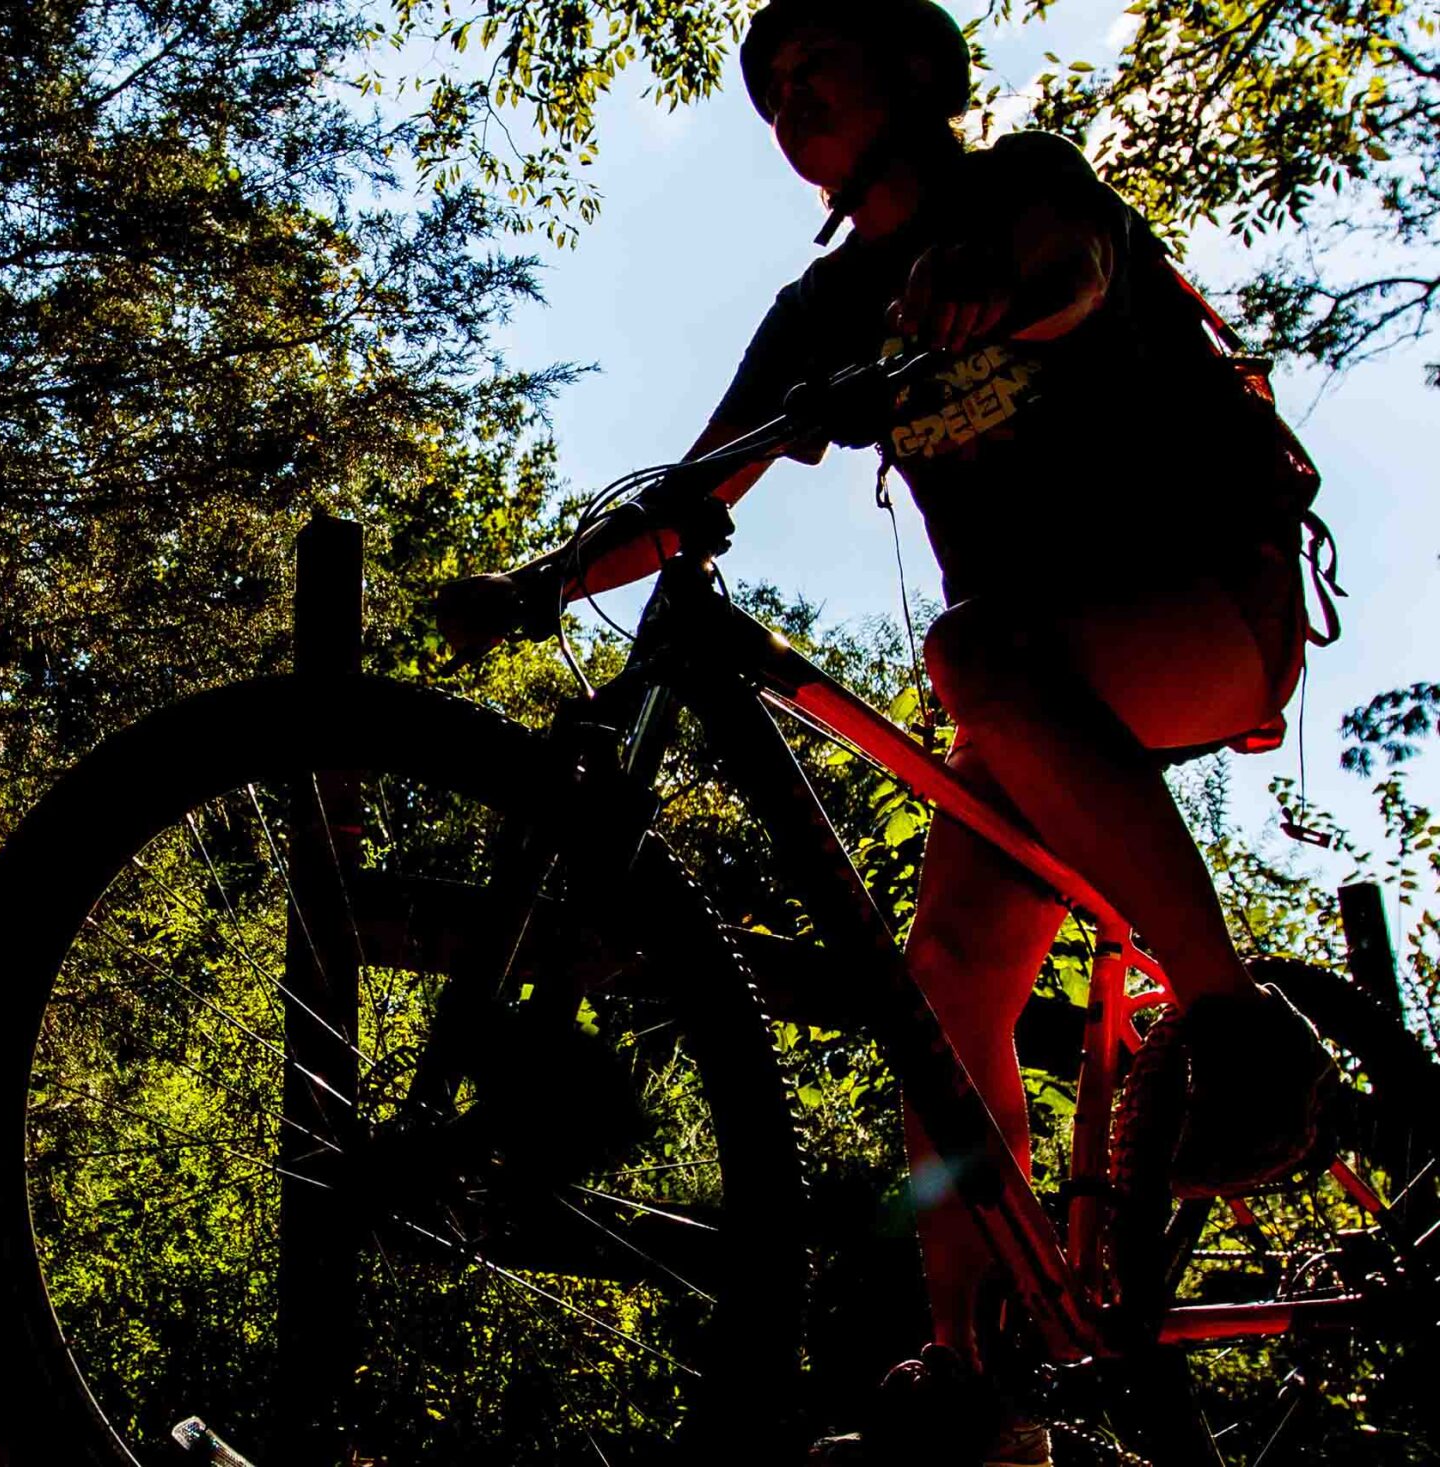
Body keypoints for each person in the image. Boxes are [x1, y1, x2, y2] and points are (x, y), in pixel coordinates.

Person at [435, 0, 1334, 1460]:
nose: (788, 105)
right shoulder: (821, 315)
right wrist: (539, 585)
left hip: (1203, 608)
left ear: (916, 66)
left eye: (813, 68)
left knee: (973, 651)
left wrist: (990, 282)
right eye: (766, 94)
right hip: (1029, 688)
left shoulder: (1020, 190)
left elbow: (1070, 261)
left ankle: (1237, 1025)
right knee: (943, 991)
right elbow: (694, 493)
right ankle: (981, 1388)